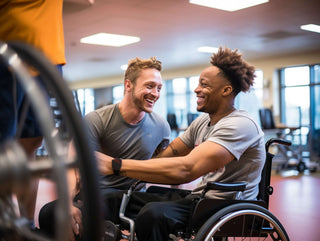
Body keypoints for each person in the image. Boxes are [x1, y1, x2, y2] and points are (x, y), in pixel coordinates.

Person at [96, 47, 266, 241]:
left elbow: (186, 170)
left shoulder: (240, 124)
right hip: (200, 199)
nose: (196, 89)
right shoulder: (202, 121)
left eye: (204, 84)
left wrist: (115, 165)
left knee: (153, 214)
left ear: (226, 90)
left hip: (225, 205)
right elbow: (165, 156)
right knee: (112, 200)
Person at [38, 56, 171, 239]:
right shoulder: (97, 119)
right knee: (48, 213)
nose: (155, 93)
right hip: (95, 194)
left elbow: (166, 164)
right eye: (149, 86)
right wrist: (68, 204)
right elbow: (72, 166)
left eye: (159, 88)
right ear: (128, 85)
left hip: (130, 198)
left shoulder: (161, 127)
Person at [0, 0, 66, 229]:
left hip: (48, 55)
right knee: (4, 148)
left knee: (32, 142)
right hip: (9, 51)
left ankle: (27, 223)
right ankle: (6, 222)